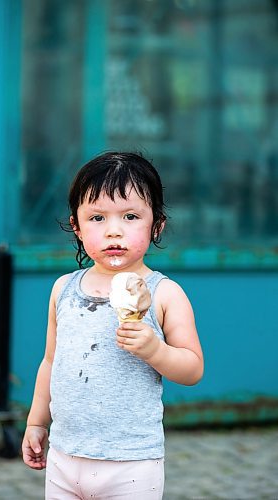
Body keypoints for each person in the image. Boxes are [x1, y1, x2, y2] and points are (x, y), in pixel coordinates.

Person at [22, 152, 204, 499]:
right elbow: (50, 361)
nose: (114, 230)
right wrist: (35, 421)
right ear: (76, 225)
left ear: (157, 225)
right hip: (65, 456)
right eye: (97, 217)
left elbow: (193, 368)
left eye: (131, 216)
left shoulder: (165, 293)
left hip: (131, 463)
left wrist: (155, 350)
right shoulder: (63, 289)